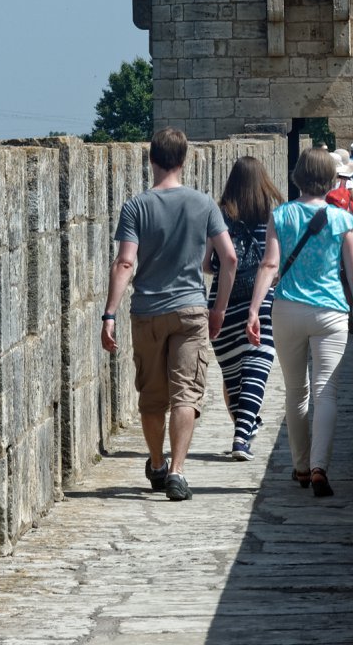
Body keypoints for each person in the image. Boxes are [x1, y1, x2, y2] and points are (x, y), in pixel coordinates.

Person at [103, 126, 237, 502]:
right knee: (186, 394)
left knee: (151, 396)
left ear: (151, 159)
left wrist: (109, 313)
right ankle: (178, 471)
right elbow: (228, 258)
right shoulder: (204, 204)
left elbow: (125, 262)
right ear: (184, 160)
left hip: (147, 312)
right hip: (191, 309)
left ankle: (158, 463)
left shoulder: (136, 206)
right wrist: (219, 309)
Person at [247, 146, 353, 498]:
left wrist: (254, 310)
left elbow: (270, 266)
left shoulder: (281, 215)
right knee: (326, 392)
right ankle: (319, 467)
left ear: (297, 177)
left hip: (286, 309)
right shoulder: (343, 220)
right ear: (330, 180)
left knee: (296, 391)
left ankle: (300, 466)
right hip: (331, 314)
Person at [208, 155, 282, 462]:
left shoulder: (219, 214)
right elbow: (275, 262)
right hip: (262, 301)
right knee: (256, 369)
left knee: (233, 374)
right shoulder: (274, 215)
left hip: (222, 302)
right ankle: (243, 433)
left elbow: (207, 262)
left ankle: (242, 430)